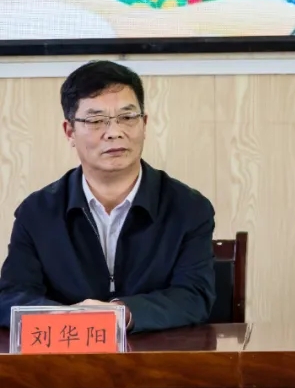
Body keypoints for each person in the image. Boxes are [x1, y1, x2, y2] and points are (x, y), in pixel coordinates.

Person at [0, 61, 216, 332]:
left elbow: (194, 296)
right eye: (95, 120)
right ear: (70, 132)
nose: (114, 132)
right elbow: (11, 297)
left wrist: (121, 313)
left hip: (158, 355)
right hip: (68, 351)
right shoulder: (37, 212)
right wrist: (71, 318)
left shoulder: (188, 208)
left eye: (127, 117)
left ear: (144, 124)